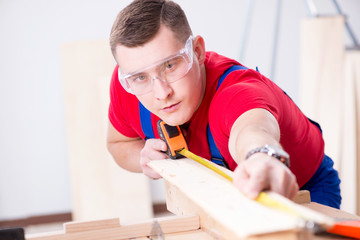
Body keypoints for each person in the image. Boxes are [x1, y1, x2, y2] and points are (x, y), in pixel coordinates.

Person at [107, 0, 341, 208]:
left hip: (304, 189)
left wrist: (261, 156)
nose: (162, 93)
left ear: (197, 52)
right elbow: (118, 143)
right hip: (226, 192)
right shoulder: (129, 82)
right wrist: (144, 158)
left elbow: (252, 129)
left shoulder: (235, 93)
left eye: (170, 66)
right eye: (141, 77)